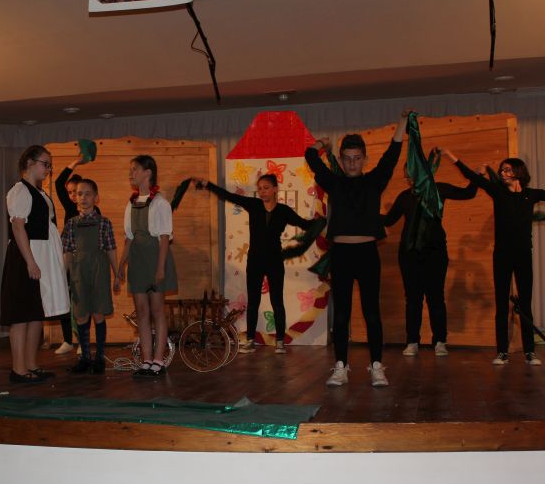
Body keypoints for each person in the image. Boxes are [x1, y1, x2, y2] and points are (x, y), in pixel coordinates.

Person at [305, 109, 410, 387]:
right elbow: (310, 157)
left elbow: (392, 154)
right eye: (347, 158)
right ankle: (341, 366)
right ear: (341, 160)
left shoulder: (374, 181)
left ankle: (377, 366)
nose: (352, 163)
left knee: (371, 312)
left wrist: (401, 123)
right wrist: (321, 144)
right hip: (341, 255)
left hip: (367, 254)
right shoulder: (334, 182)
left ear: (364, 159)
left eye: (357, 158)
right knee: (341, 314)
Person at [442, 149, 545, 365]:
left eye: (507, 170)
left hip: (523, 255)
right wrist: (452, 157)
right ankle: (502, 352)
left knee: (525, 304)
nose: (503, 173)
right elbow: (472, 176)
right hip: (502, 256)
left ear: (517, 172)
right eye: (502, 170)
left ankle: (529, 352)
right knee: (502, 304)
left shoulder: (530, 194)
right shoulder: (498, 192)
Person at [195, 174, 314, 353]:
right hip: (255, 261)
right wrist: (208, 184)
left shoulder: (284, 211)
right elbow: (229, 196)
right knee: (253, 302)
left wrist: (323, 221)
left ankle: (280, 342)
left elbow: (306, 225)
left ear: (275, 189)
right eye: (259, 189)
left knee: (277, 301)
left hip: (274, 261)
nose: (262, 192)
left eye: (266, 188)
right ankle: (250, 340)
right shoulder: (253, 205)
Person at [383, 156, 477, 357]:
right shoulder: (404, 197)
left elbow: (468, 193)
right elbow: (388, 220)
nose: (409, 179)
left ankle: (440, 341)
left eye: (412, 174)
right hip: (409, 255)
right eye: (407, 175)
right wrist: (363, 214)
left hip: (435, 253)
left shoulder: (438, 190)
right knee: (413, 299)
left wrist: (475, 175)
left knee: (436, 298)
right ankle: (412, 341)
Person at [0, 145, 70, 383]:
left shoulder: (39, 192)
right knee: (21, 315)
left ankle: (31, 365)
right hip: (25, 256)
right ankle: (18, 370)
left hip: (39, 256)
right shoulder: (20, 190)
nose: (48, 169)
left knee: (35, 313)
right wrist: (30, 261)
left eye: (50, 165)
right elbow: (18, 227)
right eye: (45, 163)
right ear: (29, 163)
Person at [117, 155, 178, 378]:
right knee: (142, 311)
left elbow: (164, 238)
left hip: (155, 258)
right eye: (130, 169)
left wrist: (160, 268)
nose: (131, 173)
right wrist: (121, 265)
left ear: (148, 173)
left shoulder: (161, 203)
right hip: (138, 260)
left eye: (135, 169)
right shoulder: (131, 203)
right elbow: (129, 238)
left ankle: (158, 360)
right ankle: (146, 360)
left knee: (157, 310)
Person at [62, 179, 120, 374]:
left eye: (87, 194)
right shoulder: (71, 224)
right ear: (75, 198)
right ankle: (85, 358)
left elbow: (111, 249)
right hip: (78, 273)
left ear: (96, 198)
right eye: (79, 194)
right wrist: (63, 275)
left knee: (98, 313)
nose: (83, 197)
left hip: (98, 272)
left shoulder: (104, 223)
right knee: (81, 314)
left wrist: (117, 274)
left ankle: (99, 358)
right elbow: (67, 252)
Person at [53, 159, 87, 354]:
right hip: (67, 260)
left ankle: (82, 341)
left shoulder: (92, 210)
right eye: (70, 192)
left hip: (83, 263)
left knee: (81, 302)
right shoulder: (69, 208)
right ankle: (68, 340)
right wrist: (75, 162)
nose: (73, 196)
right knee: (64, 298)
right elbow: (59, 183)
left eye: (76, 191)